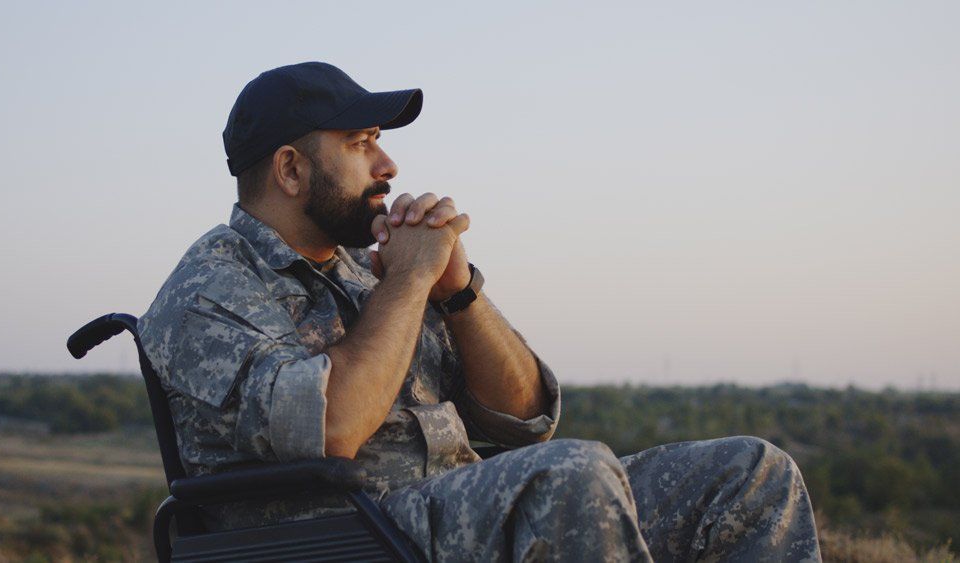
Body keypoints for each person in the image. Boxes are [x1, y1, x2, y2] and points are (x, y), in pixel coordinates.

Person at [139, 62, 821, 562]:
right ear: (290, 170)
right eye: (361, 142)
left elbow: (528, 420)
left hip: (450, 510)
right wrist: (410, 279)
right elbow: (331, 427)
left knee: (751, 474)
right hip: (338, 536)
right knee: (571, 479)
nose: (388, 164)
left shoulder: (366, 269)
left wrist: (458, 290)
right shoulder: (209, 287)